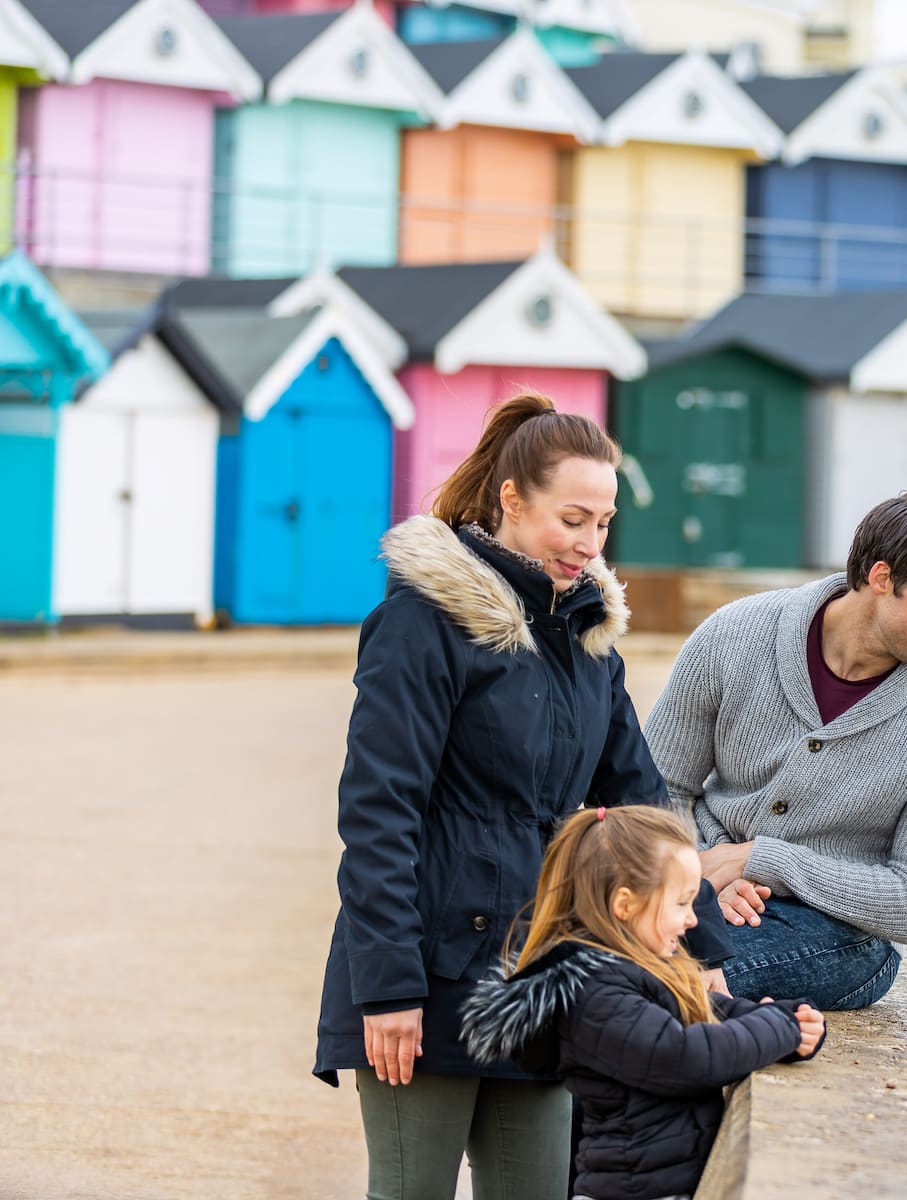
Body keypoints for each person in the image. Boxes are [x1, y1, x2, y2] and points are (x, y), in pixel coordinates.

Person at [312, 394, 733, 1200]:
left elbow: (641, 801)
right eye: (571, 518)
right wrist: (389, 987)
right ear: (512, 499)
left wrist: (702, 951)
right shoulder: (421, 623)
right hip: (427, 973)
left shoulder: (588, 642)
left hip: (545, 975)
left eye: (603, 523)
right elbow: (378, 813)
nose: (589, 544)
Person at [644, 490, 907, 1010]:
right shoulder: (735, 634)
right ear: (882, 578)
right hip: (695, 876)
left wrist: (760, 860)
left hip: (833, 929)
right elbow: (658, 786)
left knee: (656, 981)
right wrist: (699, 876)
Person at [461, 806, 825, 1200]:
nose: (692, 921)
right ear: (625, 905)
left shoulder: (647, 971)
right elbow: (684, 1058)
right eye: (681, 903)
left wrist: (792, 1020)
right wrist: (778, 1028)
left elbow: (710, 1011)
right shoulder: (595, 995)